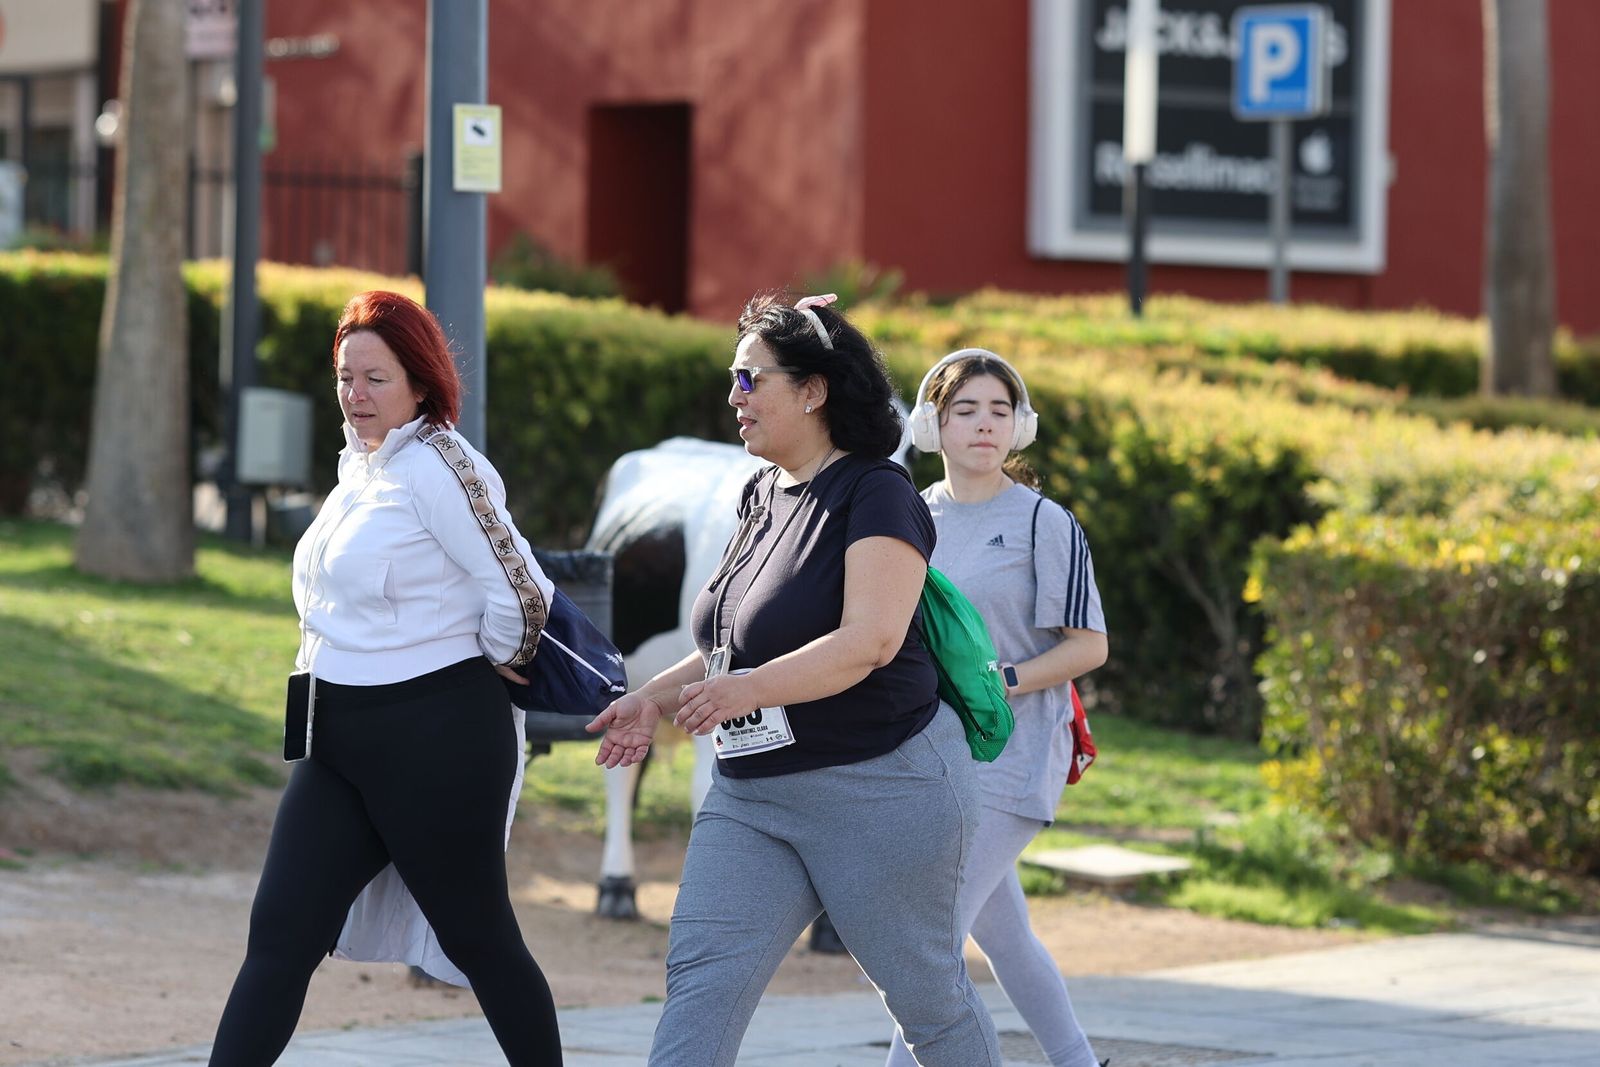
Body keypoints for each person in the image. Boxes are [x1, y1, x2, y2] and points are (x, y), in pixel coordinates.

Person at [587, 293, 1002, 1067]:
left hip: (884, 792)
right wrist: (650, 697)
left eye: (751, 381)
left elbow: (870, 641)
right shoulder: (760, 494)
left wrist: (746, 690)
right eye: (733, 381)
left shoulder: (878, 491)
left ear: (813, 391)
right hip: (753, 798)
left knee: (931, 1006)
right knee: (700, 987)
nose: (734, 399)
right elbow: (725, 649)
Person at [208, 290, 564, 1065]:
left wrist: (491, 654)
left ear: (420, 381)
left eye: (376, 377)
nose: (356, 394)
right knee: (280, 935)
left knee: (482, 940)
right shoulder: (361, 469)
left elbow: (524, 591)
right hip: (337, 743)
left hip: (436, 741)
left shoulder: (440, 463)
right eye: (345, 376)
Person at [884, 348, 1110, 1067]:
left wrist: (1002, 678)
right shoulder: (910, 516)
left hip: (1015, 757)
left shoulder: (1047, 523)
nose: (985, 425)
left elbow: (1090, 646)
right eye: (966, 410)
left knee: (930, 942)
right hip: (934, 758)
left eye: (1000, 410)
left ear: (1021, 427)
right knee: (1004, 938)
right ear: (932, 425)